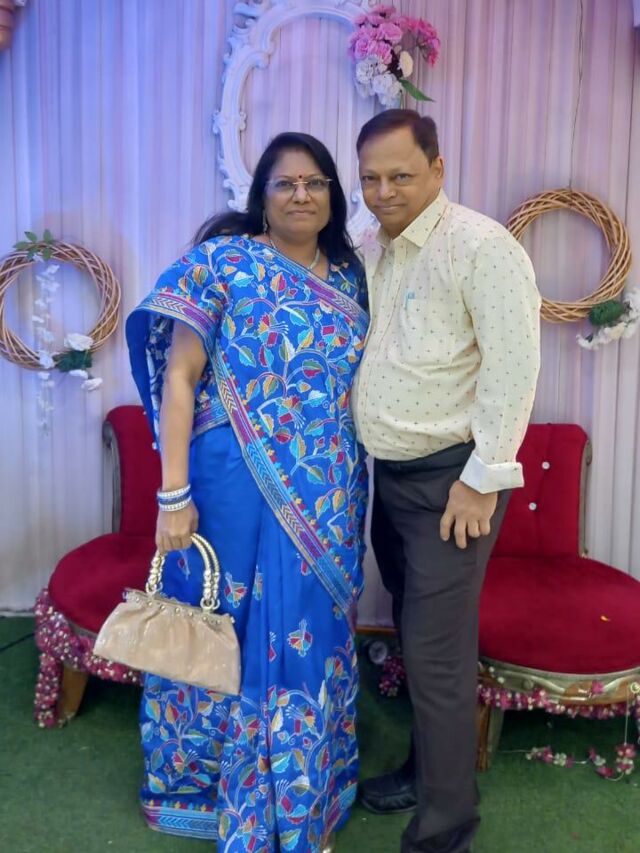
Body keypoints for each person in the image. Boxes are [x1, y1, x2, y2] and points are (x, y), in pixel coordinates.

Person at [126, 132, 369, 853]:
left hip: (324, 494)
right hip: (228, 484)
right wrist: (173, 495)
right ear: (260, 194)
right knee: (220, 617)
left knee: (311, 629)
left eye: (316, 183)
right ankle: (201, 790)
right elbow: (179, 377)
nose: (302, 195)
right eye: (286, 183)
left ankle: (301, 792)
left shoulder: (352, 278)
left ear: (333, 196)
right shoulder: (222, 262)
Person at [352, 110, 541, 853]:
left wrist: (481, 479)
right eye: (371, 178)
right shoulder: (373, 247)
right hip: (392, 478)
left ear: (438, 168)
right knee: (415, 637)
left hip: (451, 486)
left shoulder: (481, 247)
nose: (384, 191)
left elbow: (513, 368)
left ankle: (445, 830)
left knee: (437, 658)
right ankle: (426, 773)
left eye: (400, 175)